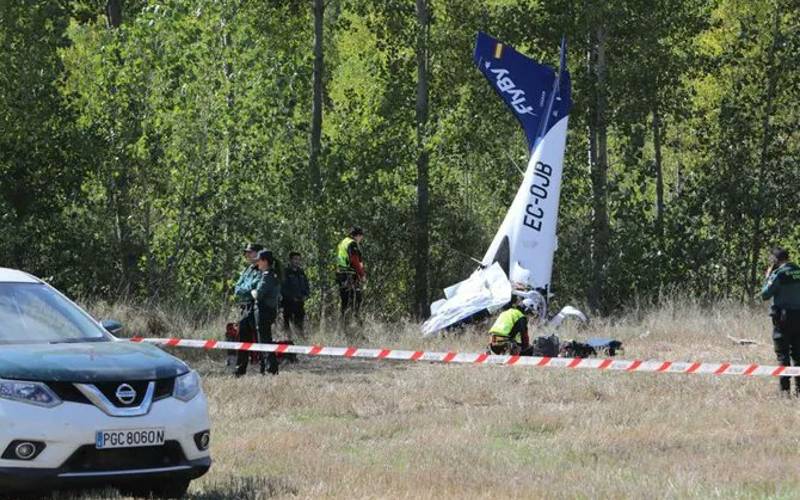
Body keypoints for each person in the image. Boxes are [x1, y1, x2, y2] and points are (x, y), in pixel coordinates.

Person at [761, 247, 800, 395]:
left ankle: (785, 392)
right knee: (798, 355)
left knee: (783, 355)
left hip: (784, 321)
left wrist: (767, 277)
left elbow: (765, 295)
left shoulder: (779, 275)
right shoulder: (798, 271)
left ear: (776, 260)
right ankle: (799, 391)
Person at [233, 243, 263, 377]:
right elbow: (237, 288)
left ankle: (265, 369)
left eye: (250, 252)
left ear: (258, 253)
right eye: (246, 252)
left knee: (261, 339)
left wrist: (247, 289)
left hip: (257, 307)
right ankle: (240, 369)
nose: (247, 255)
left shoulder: (262, 269)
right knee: (243, 339)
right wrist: (247, 289)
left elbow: (256, 286)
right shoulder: (248, 269)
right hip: (244, 307)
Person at [253, 249, 281, 375]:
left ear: (265, 261)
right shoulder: (271, 274)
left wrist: (252, 292)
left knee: (264, 340)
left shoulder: (267, 276)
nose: (257, 263)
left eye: (258, 260)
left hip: (264, 311)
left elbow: (258, 294)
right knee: (264, 339)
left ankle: (270, 367)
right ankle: (266, 367)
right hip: (268, 310)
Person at [335, 226, 366, 324]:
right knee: (356, 300)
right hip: (349, 276)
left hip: (341, 275)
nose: (361, 239)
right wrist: (362, 274)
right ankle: (355, 324)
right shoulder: (352, 244)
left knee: (345, 302)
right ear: (357, 235)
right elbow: (355, 261)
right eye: (361, 236)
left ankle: (343, 327)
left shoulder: (343, 242)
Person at [282, 251, 310, 334]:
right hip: (288, 303)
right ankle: (288, 340)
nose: (297, 261)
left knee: (299, 324)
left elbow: (306, 285)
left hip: (300, 302)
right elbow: (282, 288)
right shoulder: (286, 272)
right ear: (290, 260)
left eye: (298, 259)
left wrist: (306, 294)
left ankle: (299, 339)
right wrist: (291, 297)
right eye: (295, 259)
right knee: (288, 325)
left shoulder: (301, 272)